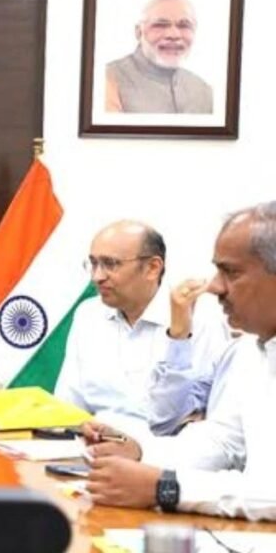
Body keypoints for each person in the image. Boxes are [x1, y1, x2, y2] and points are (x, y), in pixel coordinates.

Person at [85, 201, 276, 519]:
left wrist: (167, 487)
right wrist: (140, 450)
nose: (214, 287)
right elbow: (223, 441)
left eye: (231, 272)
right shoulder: (248, 350)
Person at [53, 220, 230, 434]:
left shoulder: (200, 317)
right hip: (92, 445)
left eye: (110, 264)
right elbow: (68, 405)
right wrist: (80, 428)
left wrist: (178, 337)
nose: (97, 276)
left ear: (152, 268)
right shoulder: (88, 314)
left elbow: (168, 420)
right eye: (93, 263)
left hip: (163, 450)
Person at [104, 0, 213, 114]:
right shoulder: (108, 80)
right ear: (138, 33)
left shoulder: (204, 92)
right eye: (160, 25)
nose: (174, 35)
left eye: (184, 26)